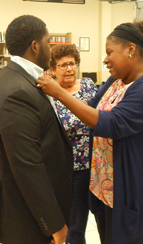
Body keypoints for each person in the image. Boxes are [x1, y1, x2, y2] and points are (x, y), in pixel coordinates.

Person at [37, 20, 143, 244]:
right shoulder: (116, 80)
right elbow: (91, 106)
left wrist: (60, 93)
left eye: (109, 52)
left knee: (130, 238)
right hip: (104, 188)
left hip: (128, 192)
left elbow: (111, 122)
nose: (105, 59)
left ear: (130, 50)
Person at [0, 15, 73, 244]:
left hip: (24, 207)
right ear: (35, 45)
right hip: (22, 215)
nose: (50, 49)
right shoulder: (18, 92)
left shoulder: (16, 76)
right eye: (48, 41)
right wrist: (54, 224)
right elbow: (27, 165)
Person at [49, 43, 98, 244]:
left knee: (95, 219)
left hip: (96, 166)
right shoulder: (49, 93)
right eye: (63, 65)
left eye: (72, 63)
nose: (69, 69)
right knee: (73, 226)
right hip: (70, 171)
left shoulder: (87, 85)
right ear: (52, 70)